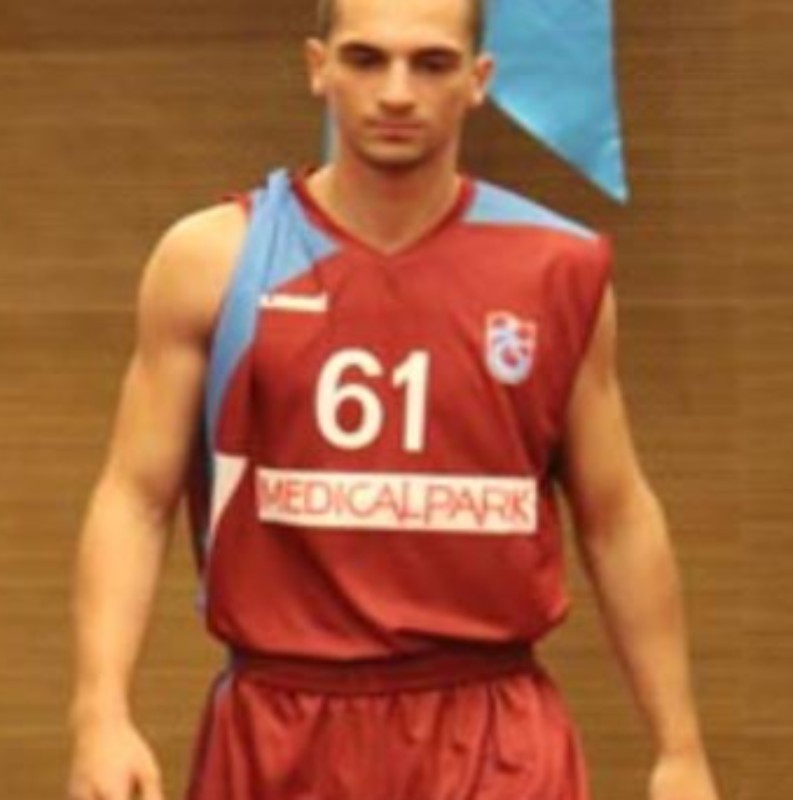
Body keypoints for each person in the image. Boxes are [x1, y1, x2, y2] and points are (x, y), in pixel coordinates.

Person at [66, 0, 722, 798]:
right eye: (366, 59)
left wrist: (679, 749)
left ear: (478, 80)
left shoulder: (555, 269)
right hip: (280, 726)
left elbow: (615, 515)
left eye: (432, 63)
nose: (397, 92)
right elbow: (135, 497)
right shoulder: (213, 259)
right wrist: (100, 712)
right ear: (318, 68)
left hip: (493, 735)